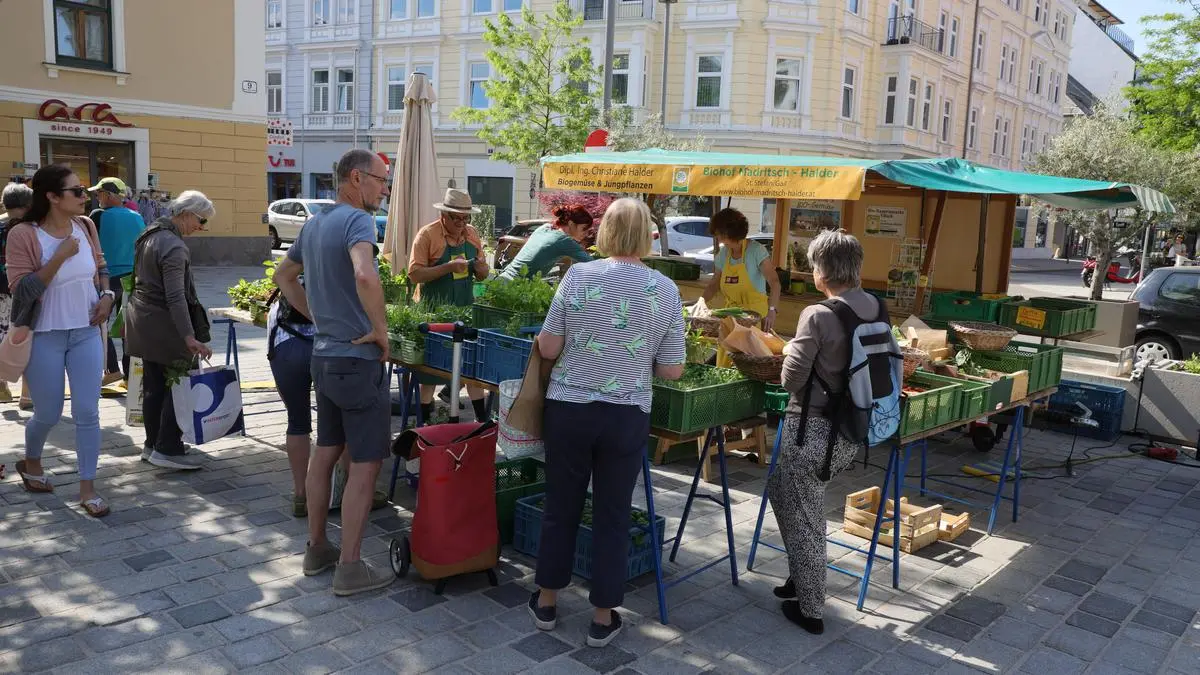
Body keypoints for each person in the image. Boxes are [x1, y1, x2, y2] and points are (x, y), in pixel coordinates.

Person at [528, 198, 686, 648]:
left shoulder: (578, 276)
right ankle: (602, 616)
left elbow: (550, 347)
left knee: (561, 504)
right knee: (614, 512)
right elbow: (672, 369)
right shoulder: (665, 290)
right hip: (625, 414)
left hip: (570, 410)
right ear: (646, 236)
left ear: (605, 232)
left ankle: (546, 601)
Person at [273, 148, 395, 596]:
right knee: (365, 465)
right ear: (357, 178)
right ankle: (349, 568)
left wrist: (317, 320)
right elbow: (366, 275)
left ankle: (317, 547)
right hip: (357, 361)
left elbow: (284, 276)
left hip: (323, 358)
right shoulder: (357, 221)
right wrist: (381, 330)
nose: (385, 187)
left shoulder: (315, 223)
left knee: (325, 453)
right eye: (382, 180)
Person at [772, 229, 880, 634]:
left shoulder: (818, 314)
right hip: (852, 430)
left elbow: (790, 378)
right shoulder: (875, 306)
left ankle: (812, 608)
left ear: (821, 271)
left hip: (814, 432)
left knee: (806, 516)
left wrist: (787, 350)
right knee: (781, 493)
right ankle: (801, 577)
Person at [5, 165, 114, 516]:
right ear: (52, 196)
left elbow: (101, 267)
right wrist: (59, 257)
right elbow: (22, 291)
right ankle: (32, 462)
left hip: (85, 332)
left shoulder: (86, 225)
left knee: (87, 412)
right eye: (77, 191)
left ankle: (88, 489)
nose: (85, 196)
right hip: (45, 335)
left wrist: (109, 295)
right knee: (48, 413)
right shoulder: (23, 234)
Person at [123, 190, 215, 471]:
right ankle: (167, 447)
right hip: (164, 324)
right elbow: (176, 297)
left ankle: (152, 445)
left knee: (153, 385)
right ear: (185, 213)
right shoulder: (174, 246)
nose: (201, 228)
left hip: (141, 320)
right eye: (200, 220)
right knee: (178, 384)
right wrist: (189, 337)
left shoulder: (150, 234)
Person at [407, 188, 490, 422]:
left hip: (464, 310)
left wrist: (482, 269)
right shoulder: (427, 235)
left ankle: (482, 423)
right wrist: (448, 268)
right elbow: (415, 274)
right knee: (431, 375)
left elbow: (482, 273)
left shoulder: (472, 235)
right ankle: (425, 423)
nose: (462, 224)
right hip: (434, 314)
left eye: (466, 218)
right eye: (457, 218)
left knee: (472, 369)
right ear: (444, 214)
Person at [87, 177, 146, 383]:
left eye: (99, 193)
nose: (97, 197)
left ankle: (111, 369)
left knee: (99, 322)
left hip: (107, 277)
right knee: (128, 326)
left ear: (110, 195)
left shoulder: (98, 215)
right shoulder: (137, 216)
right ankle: (130, 375)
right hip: (132, 277)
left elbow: (88, 244)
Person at [701, 207, 782, 333]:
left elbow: (775, 283)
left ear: (733, 233)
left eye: (721, 235)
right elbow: (713, 284)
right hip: (730, 319)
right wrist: (700, 303)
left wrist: (772, 311)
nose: (719, 240)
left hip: (755, 319)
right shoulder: (723, 254)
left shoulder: (757, 251)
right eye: (718, 236)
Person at [0, 183, 33, 403]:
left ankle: (1, 388)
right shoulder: (30, 227)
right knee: (26, 339)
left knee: (2, 336)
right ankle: (27, 394)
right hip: (22, 289)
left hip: (0, 289)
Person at [498, 204, 593, 280]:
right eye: (584, 228)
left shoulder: (545, 227)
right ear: (571, 224)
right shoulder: (564, 241)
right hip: (516, 286)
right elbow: (593, 264)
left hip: (502, 278)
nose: (586, 233)